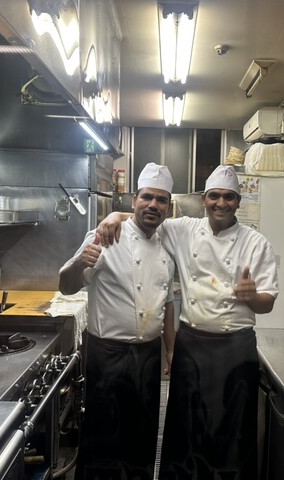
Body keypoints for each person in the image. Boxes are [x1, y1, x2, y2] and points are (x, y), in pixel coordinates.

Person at [97, 165, 279, 479]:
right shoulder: (184, 229)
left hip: (236, 348)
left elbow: (268, 303)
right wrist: (114, 216)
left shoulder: (256, 243)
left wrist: (251, 297)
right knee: (187, 428)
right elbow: (146, 217)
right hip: (192, 345)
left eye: (229, 197)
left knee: (232, 430)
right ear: (204, 199)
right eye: (214, 196)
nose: (221, 203)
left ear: (238, 202)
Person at [59, 162, 177, 480]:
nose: (153, 205)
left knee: (142, 437)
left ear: (168, 207)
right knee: (103, 439)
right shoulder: (106, 235)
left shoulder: (168, 243)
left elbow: (167, 303)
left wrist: (170, 349)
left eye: (161, 199)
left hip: (148, 355)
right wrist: (78, 263)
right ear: (134, 199)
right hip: (107, 354)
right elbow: (66, 286)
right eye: (147, 197)